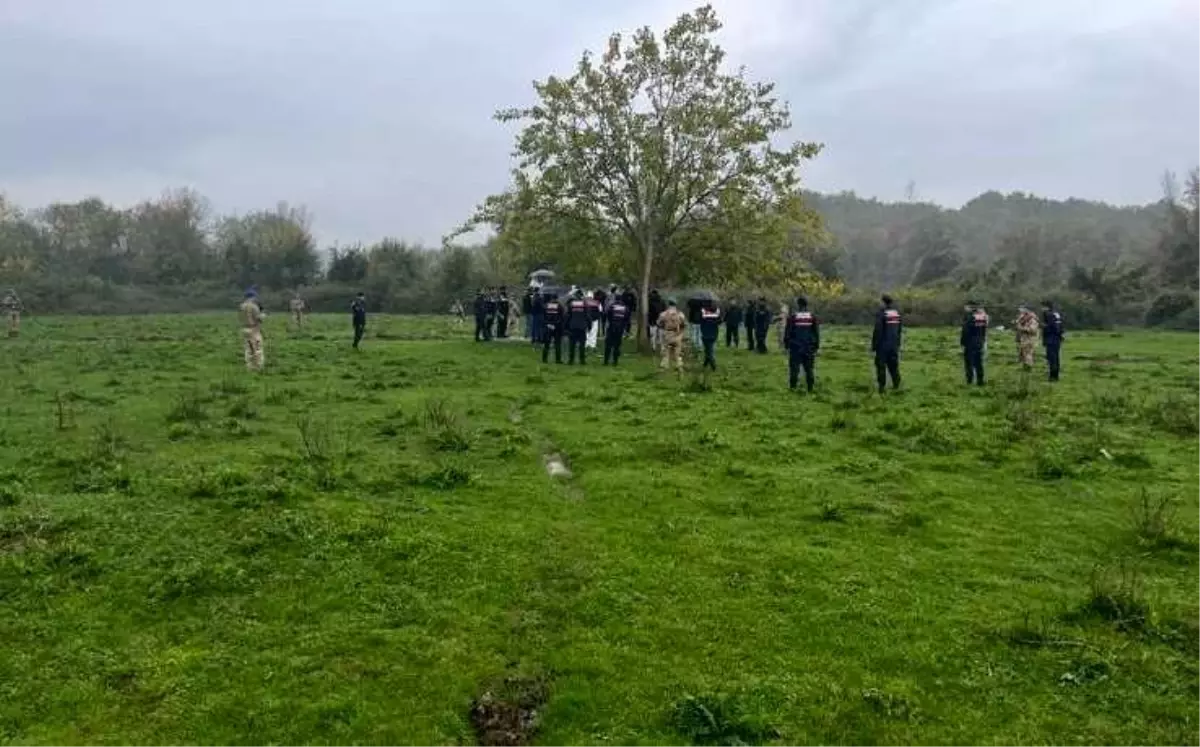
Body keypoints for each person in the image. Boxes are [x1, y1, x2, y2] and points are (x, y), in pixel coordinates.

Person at [784, 296, 821, 392]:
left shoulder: (793, 317)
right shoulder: (812, 317)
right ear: (806, 305)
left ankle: (793, 388)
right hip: (809, 347)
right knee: (809, 369)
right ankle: (810, 388)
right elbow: (816, 333)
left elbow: (788, 333)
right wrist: (816, 346)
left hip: (795, 347)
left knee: (794, 369)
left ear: (798, 305)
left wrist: (787, 345)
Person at [871, 294, 902, 393]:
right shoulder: (896, 313)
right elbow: (899, 330)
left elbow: (878, 330)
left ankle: (881, 387)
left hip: (883, 345)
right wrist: (898, 343)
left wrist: (874, 345)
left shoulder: (882, 314)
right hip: (894, 345)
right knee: (893, 365)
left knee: (880, 365)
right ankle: (896, 385)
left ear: (883, 302)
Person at [960, 300, 989, 386]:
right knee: (978, 363)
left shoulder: (969, 317)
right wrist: (983, 341)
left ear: (970, 307)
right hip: (979, 342)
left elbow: (965, 331)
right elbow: (984, 330)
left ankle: (969, 381)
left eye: (966, 307)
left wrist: (962, 343)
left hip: (970, 343)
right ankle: (980, 381)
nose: (965, 308)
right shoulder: (981, 317)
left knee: (969, 363)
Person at [657, 298, 687, 372]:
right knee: (678, 353)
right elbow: (684, 324)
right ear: (676, 304)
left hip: (667, 335)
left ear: (668, 304)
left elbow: (658, 323)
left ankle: (664, 366)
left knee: (666, 352)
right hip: (677, 335)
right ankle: (679, 366)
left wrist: (664, 326)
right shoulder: (680, 314)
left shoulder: (663, 314)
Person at [239, 289, 266, 371]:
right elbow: (258, 318)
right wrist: (263, 315)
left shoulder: (242, 306)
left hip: (245, 328)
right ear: (252, 297)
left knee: (248, 349)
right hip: (254, 329)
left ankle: (249, 366)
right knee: (257, 348)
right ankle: (258, 366)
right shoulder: (254, 306)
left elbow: (240, 318)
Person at [603, 293, 631, 365]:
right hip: (620, 328)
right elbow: (627, 319)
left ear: (615, 299)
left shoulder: (612, 306)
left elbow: (608, 316)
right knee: (617, 345)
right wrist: (626, 329)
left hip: (611, 327)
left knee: (608, 345)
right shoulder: (625, 307)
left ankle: (606, 361)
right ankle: (615, 362)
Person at [1042, 300, 1064, 381]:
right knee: (1056, 357)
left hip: (1050, 338)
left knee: (1051, 358)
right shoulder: (1056, 314)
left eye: (1043, 307)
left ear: (1046, 307)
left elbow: (1050, 327)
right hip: (1057, 338)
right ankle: (1056, 376)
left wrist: (1044, 327)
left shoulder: (1048, 315)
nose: (1042, 309)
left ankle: (1052, 376)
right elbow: (1060, 326)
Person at [566, 289, 590, 364]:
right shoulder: (585, 304)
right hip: (582, 326)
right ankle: (582, 360)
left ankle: (571, 360)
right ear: (581, 296)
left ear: (576, 295)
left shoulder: (571, 304)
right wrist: (589, 326)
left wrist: (566, 326)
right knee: (582, 344)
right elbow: (587, 316)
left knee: (572, 344)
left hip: (573, 326)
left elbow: (568, 316)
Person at [1014, 304, 1040, 371]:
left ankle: (1028, 368)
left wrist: (1022, 328)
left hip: (1030, 339)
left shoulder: (1032, 319)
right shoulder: (1022, 317)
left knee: (1028, 354)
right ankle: (1025, 367)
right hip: (1023, 338)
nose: (1020, 311)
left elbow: (1033, 330)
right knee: (1023, 354)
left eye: (1022, 309)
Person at [541, 291, 565, 363]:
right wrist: (556, 325)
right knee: (557, 344)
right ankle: (558, 360)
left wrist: (547, 324)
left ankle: (544, 359)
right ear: (557, 298)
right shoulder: (560, 306)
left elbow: (543, 317)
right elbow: (562, 317)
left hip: (548, 327)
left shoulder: (546, 305)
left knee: (546, 344)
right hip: (557, 327)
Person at [699, 300, 722, 370]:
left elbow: (701, 322)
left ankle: (713, 365)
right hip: (713, 333)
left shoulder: (703, 312)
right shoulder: (716, 312)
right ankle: (705, 363)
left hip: (705, 333)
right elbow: (720, 321)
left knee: (709, 350)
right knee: (709, 349)